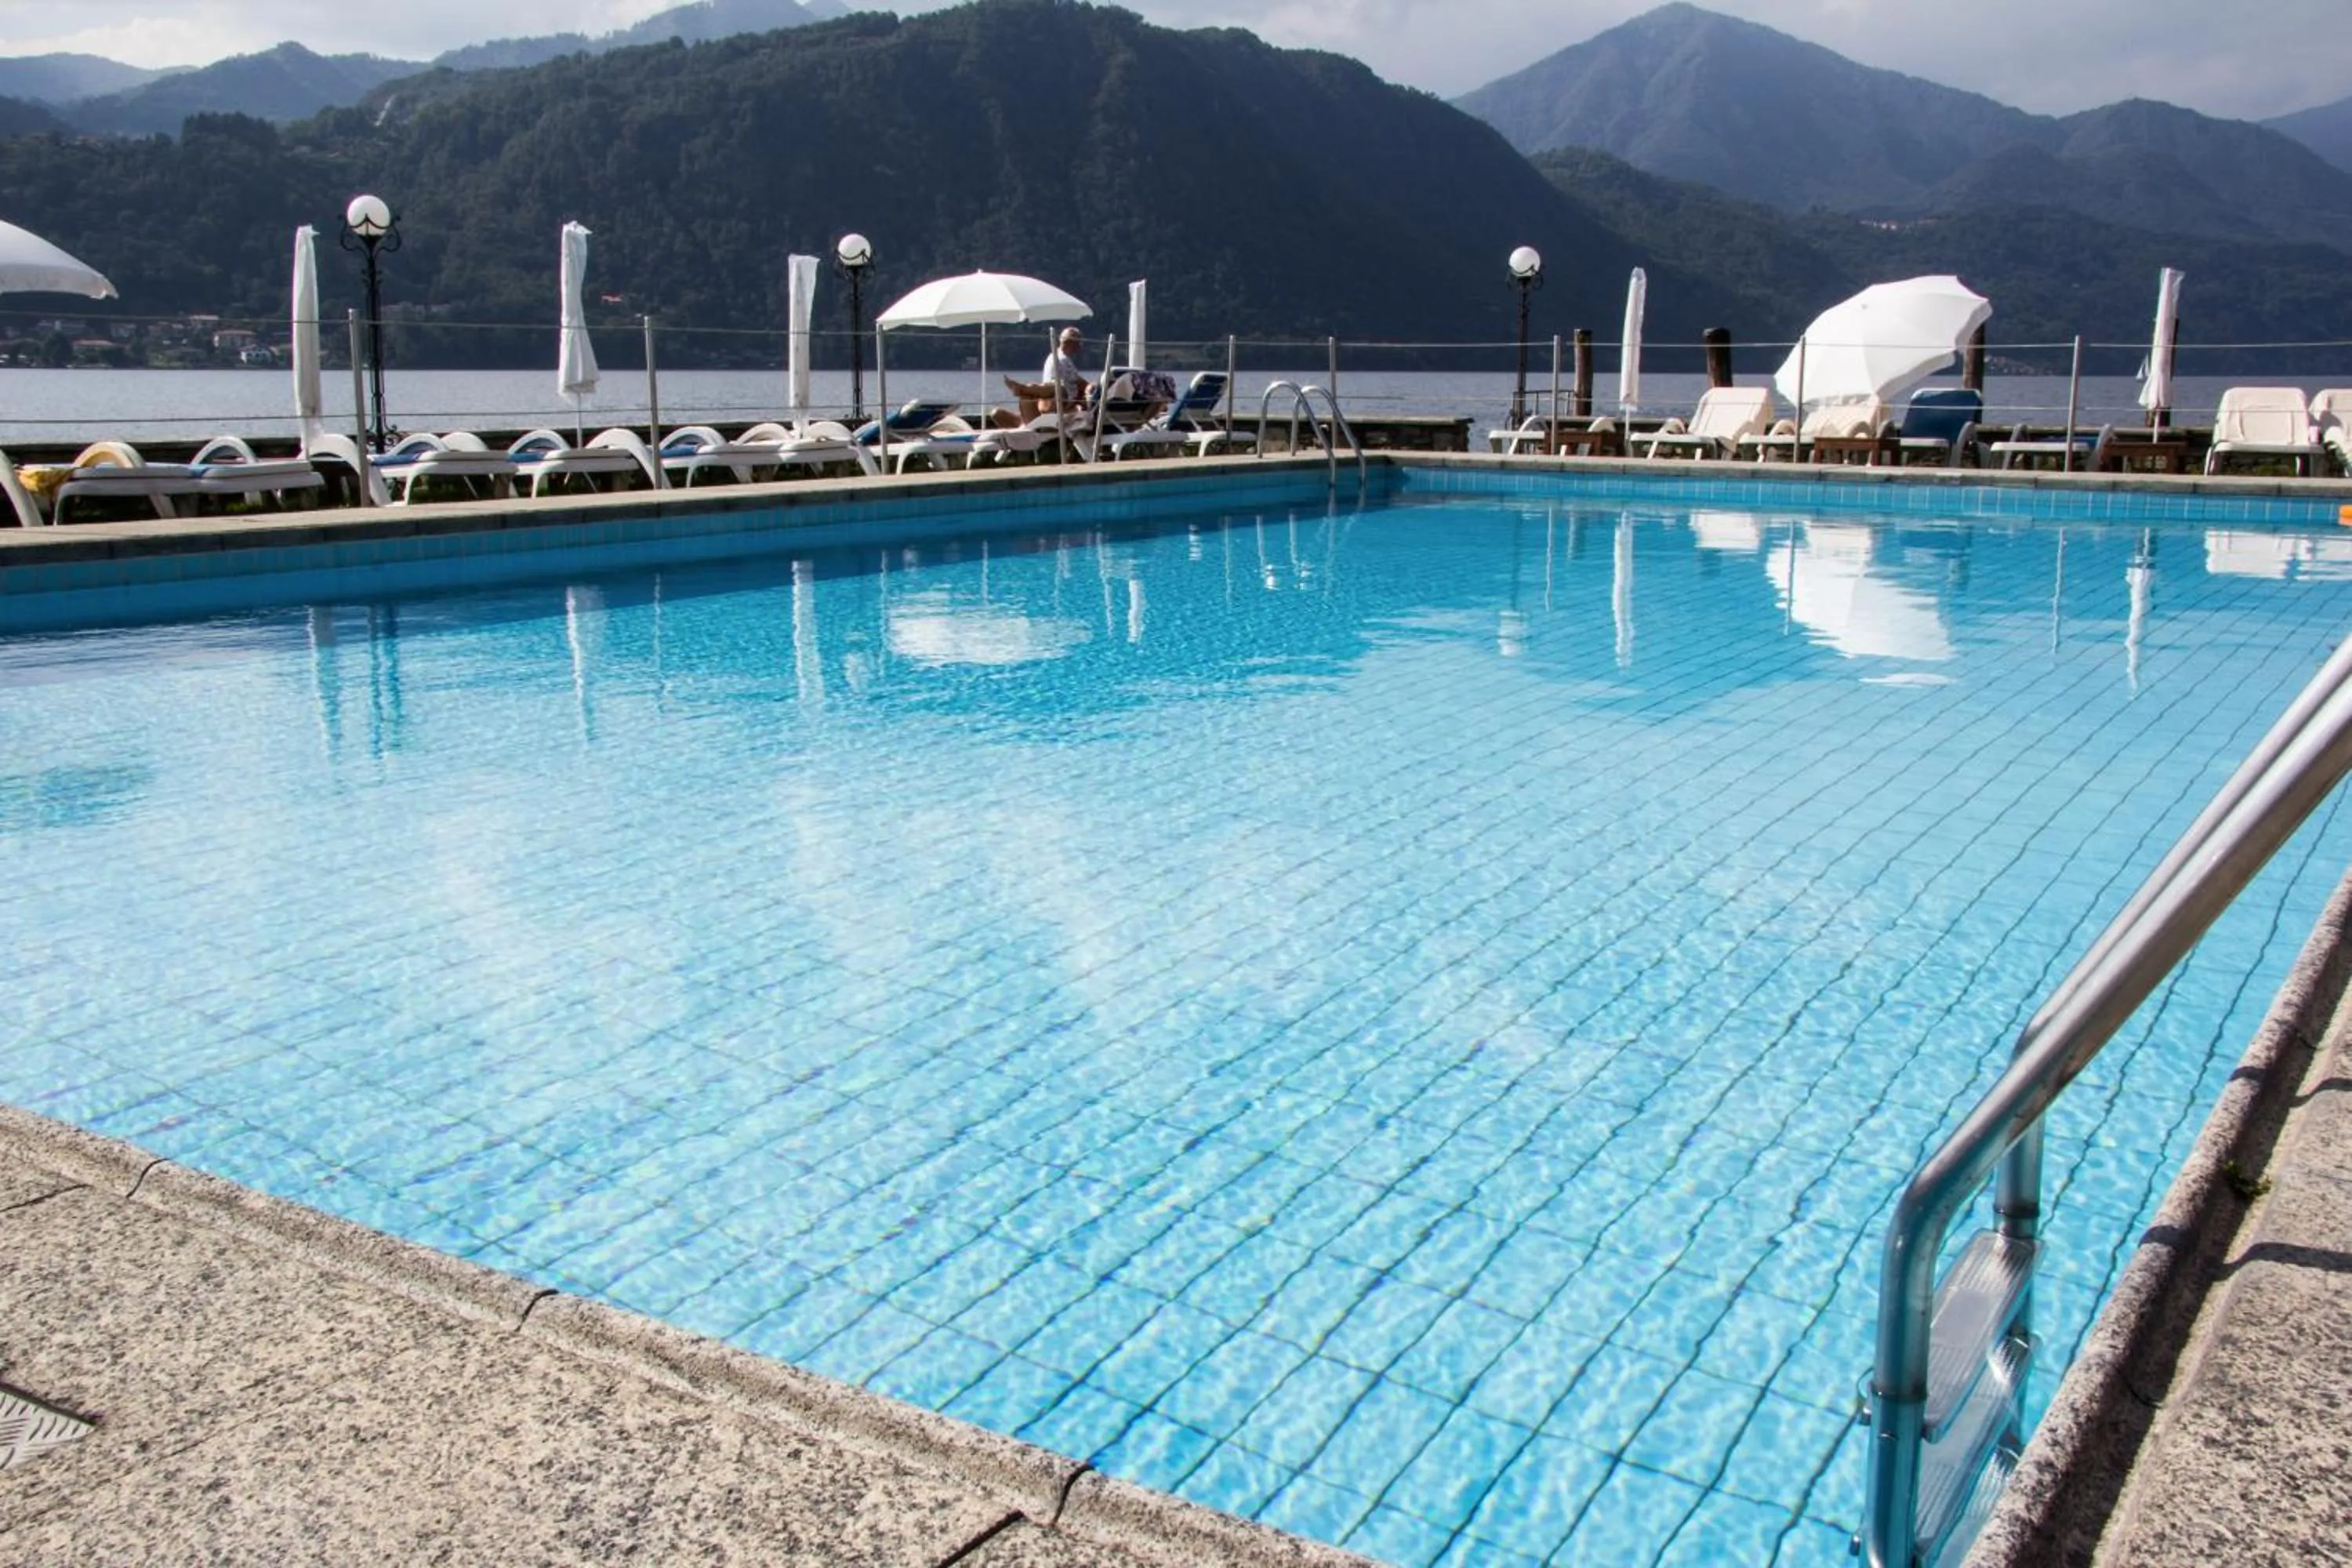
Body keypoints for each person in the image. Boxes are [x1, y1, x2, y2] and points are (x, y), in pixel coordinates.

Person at [1042, 326, 1093, 407]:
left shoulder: (1053, 356)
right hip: (1064, 403)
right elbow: (1081, 383)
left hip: (1055, 399)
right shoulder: (1063, 360)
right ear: (1071, 343)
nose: (1080, 346)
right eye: (1079, 342)